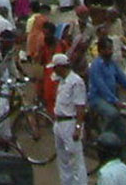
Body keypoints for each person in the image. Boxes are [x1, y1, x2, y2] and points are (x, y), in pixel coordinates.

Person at [89, 38, 126, 142]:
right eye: (107, 49)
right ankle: (102, 140)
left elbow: (123, 78)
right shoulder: (96, 65)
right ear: (101, 50)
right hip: (97, 98)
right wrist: (114, 100)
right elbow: (101, 86)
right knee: (113, 114)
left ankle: (123, 144)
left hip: (111, 98)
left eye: (111, 49)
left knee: (121, 124)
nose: (110, 51)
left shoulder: (112, 63)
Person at [54, 55, 87, 185]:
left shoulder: (76, 82)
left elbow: (80, 107)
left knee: (76, 160)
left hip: (70, 123)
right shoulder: (62, 81)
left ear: (61, 67)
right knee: (63, 160)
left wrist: (78, 128)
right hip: (59, 123)